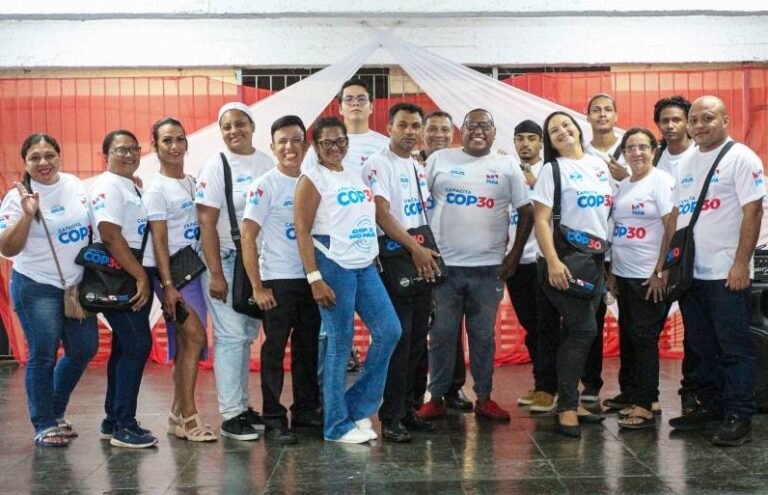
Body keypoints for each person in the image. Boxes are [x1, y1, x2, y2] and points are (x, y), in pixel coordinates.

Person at [417, 109, 532, 423]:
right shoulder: (440, 160)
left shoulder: (507, 165)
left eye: (485, 126)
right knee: (442, 335)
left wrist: (513, 255)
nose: (478, 130)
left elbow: (526, 211)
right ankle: (436, 397)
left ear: (494, 133)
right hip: (444, 268)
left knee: (483, 337)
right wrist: (422, 250)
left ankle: (484, 397)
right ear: (462, 130)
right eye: (472, 125)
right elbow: (417, 205)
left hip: (488, 270)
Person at [294, 116, 401, 444]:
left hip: (364, 265)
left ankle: (355, 407)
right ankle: (336, 425)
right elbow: (302, 230)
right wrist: (314, 278)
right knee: (340, 343)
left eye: (340, 141)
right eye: (327, 142)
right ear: (316, 146)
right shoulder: (312, 179)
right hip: (333, 265)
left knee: (389, 330)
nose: (335, 148)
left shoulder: (354, 174)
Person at [666, 96, 765, 447]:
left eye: (707, 118)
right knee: (702, 347)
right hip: (692, 275)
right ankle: (710, 407)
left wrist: (740, 263)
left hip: (727, 274)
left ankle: (739, 414)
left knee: (734, 347)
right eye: (694, 119)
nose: (699, 125)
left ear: (725, 120)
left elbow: (753, 211)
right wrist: (669, 266)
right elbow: (678, 216)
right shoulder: (687, 162)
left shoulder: (742, 158)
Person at [0, 134, 98, 447]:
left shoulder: (74, 185)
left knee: (84, 349)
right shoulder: (16, 197)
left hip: (75, 286)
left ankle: (54, 410)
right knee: (43, 354)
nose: (43, 163)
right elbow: (7, 248)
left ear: (59, 156)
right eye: (35, 157)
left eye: (49, 155)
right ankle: (44, 423)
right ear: (25, 162)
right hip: (35, 286)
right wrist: (28, 215)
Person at [195, 102, 274, 440]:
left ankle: (242, 406)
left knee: (246, 336)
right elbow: (206, 223)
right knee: (230, 336)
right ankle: (231, 415)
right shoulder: (216, 165)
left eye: (240, 123)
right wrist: (215, 273)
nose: (233, 131)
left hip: (258, 264)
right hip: (226, 260)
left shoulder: (267, 162)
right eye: (226, 126)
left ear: (252, 126)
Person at [531, 111, 612, 437]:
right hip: (562, 262)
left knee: (577, 334)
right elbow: (540, 220)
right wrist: (552, 261)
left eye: (566, 125)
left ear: (577, 129)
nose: (562, 131)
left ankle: (570, 400)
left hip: (594, 261)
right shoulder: (552, 170)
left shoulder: (599, 166)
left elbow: (605, 215)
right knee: (582, 330)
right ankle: (566, 407)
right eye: (554, 130)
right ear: (550, 141)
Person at [241, 115, 322, 445]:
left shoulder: (315, 180)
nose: (290, 147)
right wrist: (258, 287)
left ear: (306, 145)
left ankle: (305, 411)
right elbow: (248, 236)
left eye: (296, 140)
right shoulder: (265, 185)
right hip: (278, 280)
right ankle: (273, 417)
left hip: (312, 279)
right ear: (273, 147)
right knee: (274, 351)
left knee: (308, 349)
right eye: (283, 142)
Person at [363, 103, 440, 442]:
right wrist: (415, 248)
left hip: (420, 257)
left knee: (418, 341)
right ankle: (391, 416)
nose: (410, 132)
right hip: (396, 259)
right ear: (389, 127)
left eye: (415, 126)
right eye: (403, 125)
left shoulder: (416, 165)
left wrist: (424, 251)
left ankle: (409, 409)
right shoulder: (377, 164)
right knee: (400, 340)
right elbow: (381, 214)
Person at [143, 118, 216, 442]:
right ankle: (189, 416)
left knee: (189, 344)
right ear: (155, 146)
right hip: (172, 275)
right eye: (167, 140)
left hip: (194, 271)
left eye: (179, 139)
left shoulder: (192, 182)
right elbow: (159, 240)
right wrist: (168, 286)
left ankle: (177, 415)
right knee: (196, 337)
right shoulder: (156, 189)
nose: (174, 146)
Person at [91, 129, 157, 448]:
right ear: (106, 156)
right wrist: (140, 275)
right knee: (137, 345)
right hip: (121, 273)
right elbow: (110, 235)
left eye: (133, 148)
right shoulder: (107, 186)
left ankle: (113, 419)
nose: (129, 154)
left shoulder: (130, 185)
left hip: (131, 269)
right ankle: (124, 426)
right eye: (120, 150)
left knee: (123, 346)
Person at [605, 128, 675, 429]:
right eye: (630, 148)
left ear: (654, 151)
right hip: (624, 274)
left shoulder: (661, 181)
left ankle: (645, 405)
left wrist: (661, 270)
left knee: (644, 339)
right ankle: (635, 393)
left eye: (643, 147)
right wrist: (612, 273)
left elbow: (672, 229)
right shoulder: (623, 185)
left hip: (649, 277)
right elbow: (617, 231)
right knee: (630, 336)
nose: (636, 153)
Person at [651, 95, 699, 416]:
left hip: (694, 254)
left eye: (676, 119)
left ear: (687, 123)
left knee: (695, 330)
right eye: (664, 120)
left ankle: (692, 397)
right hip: (658, 255)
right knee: (646, 328)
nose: (670, 126)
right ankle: (643, 395)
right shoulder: (654, 156)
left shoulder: (701, 155)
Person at [504, 120, 554, 410]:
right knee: (531, 327)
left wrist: (534, 183)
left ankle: (550, 388)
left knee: (546, 327)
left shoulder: (549, 171)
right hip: (515, 261)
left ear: (541, 143)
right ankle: (541, 384)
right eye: (520, 138)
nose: (525, 143)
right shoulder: (508, 170)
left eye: (531, 138)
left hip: (541, 260)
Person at [580, 93, 625, 403]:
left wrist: (628, 176)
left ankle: (633, 390)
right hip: (592, 250)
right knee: (590, 321)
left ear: (616, 115)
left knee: (634, 324)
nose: (602, 114)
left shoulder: (632, 147)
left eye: (608, 109)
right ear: (588, 117)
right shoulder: (579, 152)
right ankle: (591, 384)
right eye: (595, 110)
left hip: (628, 246)